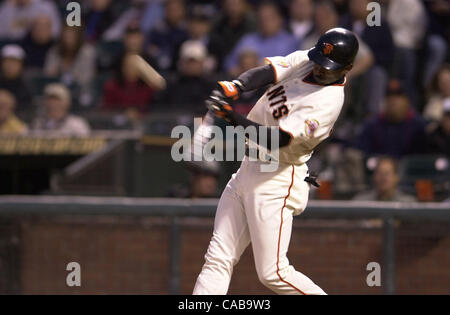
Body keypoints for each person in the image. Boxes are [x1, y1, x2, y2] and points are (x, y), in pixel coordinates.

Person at [193, 28, 359, 295]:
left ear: (346, 68)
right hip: (249, 166)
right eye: (319, 61)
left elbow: (278, 139)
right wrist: (237, 86)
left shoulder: (328, 102)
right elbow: (269, 72)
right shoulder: (311, 59)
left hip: (277, 177)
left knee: (273, 272)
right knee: (217, 258)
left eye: (328, 68)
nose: (320, 68)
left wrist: (232, 117)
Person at [224, 1, 299, 73]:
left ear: (280, 20)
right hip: (246, 82)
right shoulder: (248, 39)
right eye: (261, 18)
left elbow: (292, 68)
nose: (264, 22)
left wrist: (256, 66)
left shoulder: (290, 42)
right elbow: (229, 64)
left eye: (269, 18)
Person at [357, 82, 426, 157]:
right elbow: (364, 153)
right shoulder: (372, 125)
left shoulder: (418, 125)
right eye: (389, 96)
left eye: (398, 96)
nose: (393, 100)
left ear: (407, 101)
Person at [163, 40, 214, 114]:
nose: (191, 66)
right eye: (188, 61)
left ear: (203, 63)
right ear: (181, 62)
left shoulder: (210, 87)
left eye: (195, 62)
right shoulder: (172, 86)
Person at [208, 0, 256, 71]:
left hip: (245, 66)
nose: (233, 8)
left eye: (236, 4)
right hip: (222, 67)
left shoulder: (253, 25)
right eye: (230, 4)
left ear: (245, 5)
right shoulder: (218, 24)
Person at [0, 44, 31, 111]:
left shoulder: (27, 86)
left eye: (14, 62)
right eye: (7, 61)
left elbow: (28, 110)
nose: (10, 65)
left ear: (21, 65)